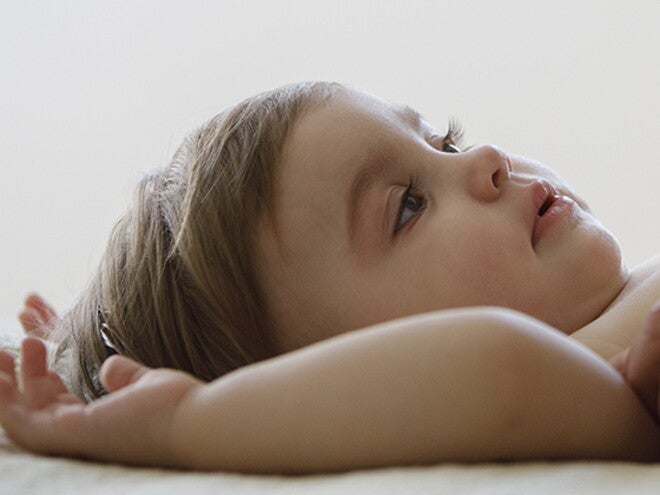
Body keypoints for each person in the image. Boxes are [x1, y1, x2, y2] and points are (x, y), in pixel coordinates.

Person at [0, 81, 658, 473]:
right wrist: (189, 424)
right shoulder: (585, 388)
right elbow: (498, 366)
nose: (486, 159)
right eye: (407, 205)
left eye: (446, 142)